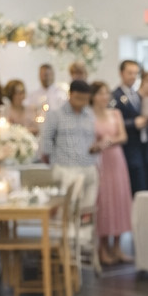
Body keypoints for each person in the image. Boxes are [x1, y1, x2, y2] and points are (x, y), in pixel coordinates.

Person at [39, 79, 102, 219]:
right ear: (71, 95)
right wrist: (53, 164)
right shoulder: (56, 114)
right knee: (68, 209)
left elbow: (93, 138)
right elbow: (46, 140)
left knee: (87, 209)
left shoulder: (90, 114)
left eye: (85, 99)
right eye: (79, 98)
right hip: (66, 167)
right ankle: (66, 239)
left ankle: (84, 239)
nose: (82, 102)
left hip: (89, 166)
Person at [91, 82, 133, 266]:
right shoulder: (89, 116)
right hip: (100, 161)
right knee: (104, 201)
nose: (105, 97)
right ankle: (103, 247)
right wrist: (98, 145)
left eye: (106, 93)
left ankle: (117, 246)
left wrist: (110, 140)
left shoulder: (115, 113)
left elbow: (123, 137)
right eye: (101, 93)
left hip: (116, 159)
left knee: (119, 199)